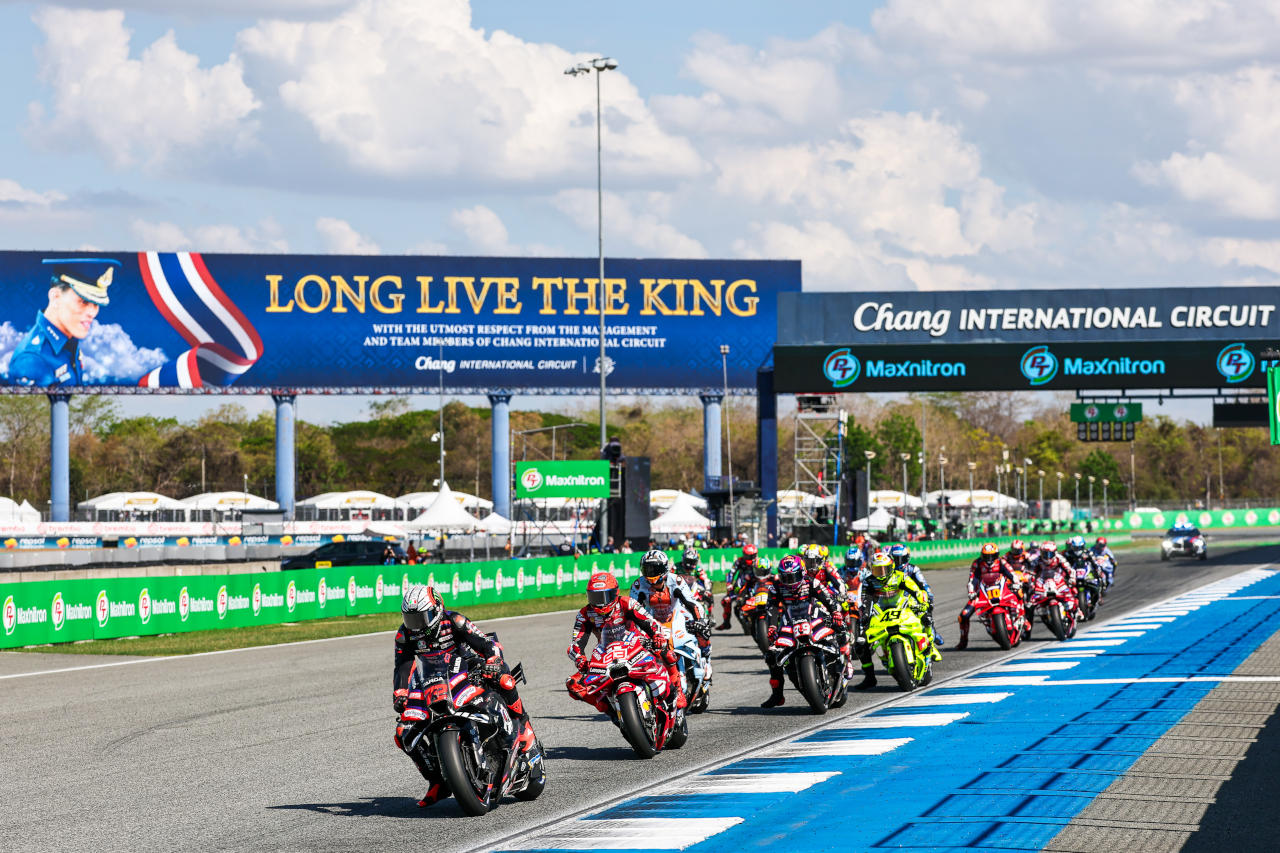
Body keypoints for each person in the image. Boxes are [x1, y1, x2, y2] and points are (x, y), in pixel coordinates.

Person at [392, 584, 529, 807]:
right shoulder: (404, 634)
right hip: (431, 680)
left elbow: (486, 642)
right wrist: (400, 693)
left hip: (466, 667)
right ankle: (437, 781)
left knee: (504, 678)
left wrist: (492, 661)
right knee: (403, 733)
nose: (415, 625)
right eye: (411, 619)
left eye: (421, 618)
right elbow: (403, 666)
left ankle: (523, 723)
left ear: (436, 610)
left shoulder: (454, 620)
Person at [566, 571, 685, 711]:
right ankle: (607, 708)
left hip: (637, 644)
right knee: (573, 683)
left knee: (666, 652)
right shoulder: (585, 614)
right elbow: (576, 642)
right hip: (606, 653)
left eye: (604, 596)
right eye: (595, 596)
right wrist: (579, 658)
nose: (600, 602)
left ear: (615, 593)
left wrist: (657, 637)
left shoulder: (627, 603)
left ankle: (677, 689)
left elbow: (649, 622)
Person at [7, 258, 118, 387]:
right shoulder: (32, 361)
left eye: (96, 304)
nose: (92, 313)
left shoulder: (67, 340)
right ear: (55, 297)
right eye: (83, 301)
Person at [761, 554, 845, 708]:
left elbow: (828, 599)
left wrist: (835, 613)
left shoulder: (812, 582)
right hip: (789, 621)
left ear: (802, 572)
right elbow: (771, 609)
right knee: (772, 656)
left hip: (814, 616)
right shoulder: (775, 588)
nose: (791, 582)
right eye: (786, 578)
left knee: (840, 628)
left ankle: (844, 661)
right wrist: (772, 626)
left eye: (794, 576)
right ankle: (777, 695)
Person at [853, 552, 936, 689]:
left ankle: (930, 645)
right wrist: (865, 616)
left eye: (883, 569)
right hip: (881, 614)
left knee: (926, 618)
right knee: (860, 643)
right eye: (876, 570)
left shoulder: (900, 577)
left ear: (891, 567)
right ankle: (870, 677)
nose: (880, 573)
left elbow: (916, 590)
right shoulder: (869, 582)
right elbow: (866, 601)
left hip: (904, 607)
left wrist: (924, 602)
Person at [630, 550, 712, 673]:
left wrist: (699, 621)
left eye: (654, 569)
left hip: (678, 613)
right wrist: (632, 630)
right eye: (647, 569)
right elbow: (632, 610)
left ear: (663, 569)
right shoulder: (638, 585)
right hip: (652, 618)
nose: (650, 573)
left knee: (702, 628)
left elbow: (691, 603)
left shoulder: (676, 580)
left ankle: (706, 658)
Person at [956, 542, 1020, 650]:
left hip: (1002, 590)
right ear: (982, 555)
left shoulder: (1001, 562)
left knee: (1020, 595)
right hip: (982, 594)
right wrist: (971, 591)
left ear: (997, 555)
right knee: (963, 616)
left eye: (992, 556)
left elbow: (1011, 574)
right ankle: (963, 640)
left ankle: (1022, 618)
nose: (989, 559)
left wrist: (1016, 582)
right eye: (986, 556)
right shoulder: (977, 564)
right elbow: (972, 580)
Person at [887, 543, 942, 646]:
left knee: (925, 615)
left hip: (912, 599)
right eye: (895, 559)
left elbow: (923, 584)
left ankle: (931, 633)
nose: (898, 562)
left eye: (901, 559)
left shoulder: (913, 569)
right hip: (894, 600)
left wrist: (929, 598)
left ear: (906, 558)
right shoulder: (888, 571)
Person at [717, 543, 759, 630]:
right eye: (746, 556)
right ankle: (726, 622)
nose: (748, 558)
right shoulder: (739, 561)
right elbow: (731, 573)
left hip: (756, 586)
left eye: (750, 556)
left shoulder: (759, 562)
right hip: (740, 587)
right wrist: (729, 584)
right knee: (725, 600)